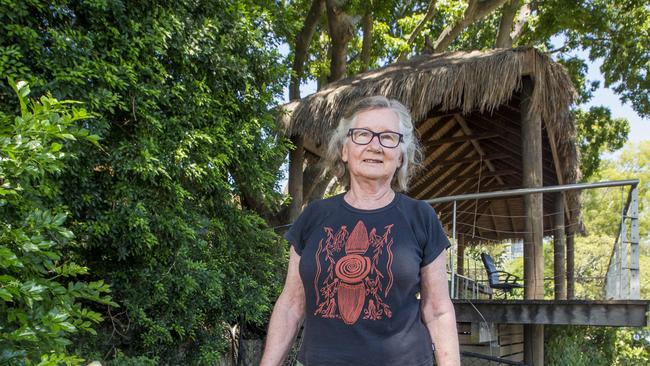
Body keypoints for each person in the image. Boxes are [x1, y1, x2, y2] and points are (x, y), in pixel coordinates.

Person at [260, 96, 460, 366]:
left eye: (388, 137)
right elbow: (291, 305)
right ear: (344, 150)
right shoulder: (314, 216)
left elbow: (437, 310)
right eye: (363, 135)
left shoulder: (421, 216)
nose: (375, 146)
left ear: (401, 155)